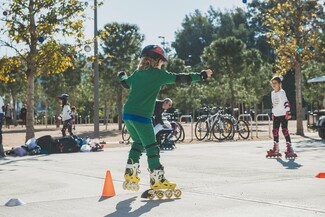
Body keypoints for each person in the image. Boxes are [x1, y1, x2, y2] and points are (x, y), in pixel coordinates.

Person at [118, 44, 213, 198]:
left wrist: (121, 75)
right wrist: (201, 75)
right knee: (152, 147)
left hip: (128, 115)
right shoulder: (158, 74)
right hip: (142, 117)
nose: (161, 65)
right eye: (161, 62)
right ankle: (157, 179)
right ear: (156, 61)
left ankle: (130, 172)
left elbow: (124, 83)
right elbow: (182, 78)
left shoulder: (136, 74)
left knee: (137, 143)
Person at [266, 76, 297, 159]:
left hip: (283, 114)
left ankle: (290, 148)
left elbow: (286, 102)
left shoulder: (282, 92)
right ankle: (276, 148)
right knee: (275, 131)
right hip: (276, 114)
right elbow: (274, 104)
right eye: (272, 83)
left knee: (284, 130)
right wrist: (273, 113)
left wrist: (288, 111)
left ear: (279, 84)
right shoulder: (272, 93)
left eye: (275, 83)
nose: (273, 85)